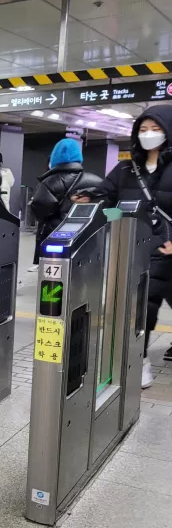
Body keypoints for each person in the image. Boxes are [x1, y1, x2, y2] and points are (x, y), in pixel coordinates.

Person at [96, 106, 172, 388]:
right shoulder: (127, 168)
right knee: (143, 307)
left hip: (168, 248)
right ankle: (139, 360)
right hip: (137, 249)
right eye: (142, 130)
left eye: (155, 129)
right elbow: (105, 194)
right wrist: (89, 196)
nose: (148, 135)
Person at [29, 139, 102, 271]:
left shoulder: (49, 182)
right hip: (86, 237)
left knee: (56, 278)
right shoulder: (96, 181)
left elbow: (40, 210)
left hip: (57, 238)